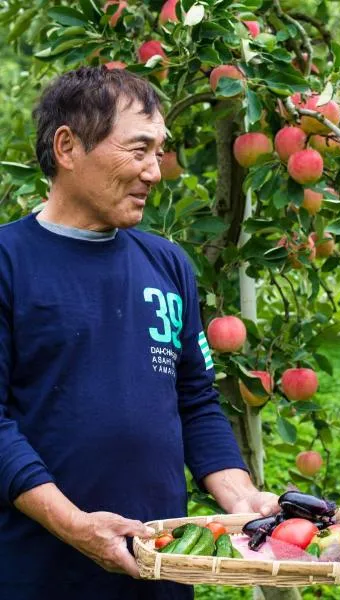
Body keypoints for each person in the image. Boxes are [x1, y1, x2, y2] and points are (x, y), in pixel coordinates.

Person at [0, 66, 278, 600]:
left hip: (159, 568)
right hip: (37, 573)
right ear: (67, 146)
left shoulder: (168, 263)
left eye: (159, 152)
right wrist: (73, 524)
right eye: (139, 150)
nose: (155, 171)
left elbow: (194, 400)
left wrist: (240, 496)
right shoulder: (9, 263)